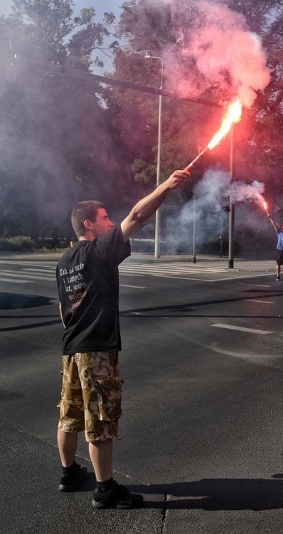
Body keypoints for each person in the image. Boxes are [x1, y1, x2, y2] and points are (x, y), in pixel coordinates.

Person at [55, 169, 191, 509]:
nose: (110, 222)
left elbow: (62, 309)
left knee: (69, 414)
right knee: (100, 420)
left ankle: (69, 474)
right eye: (104, 218)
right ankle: (105, 490)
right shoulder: (100, 250)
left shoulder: (64, 261)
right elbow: (137, 215)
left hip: (71, 350)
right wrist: (167, 186)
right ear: (89, 224)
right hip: (96, 351)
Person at [267, 216, 283, 281]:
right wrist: (270, 218)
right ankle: (278, 276)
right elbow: (274, 225)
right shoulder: (279, 232)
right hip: (280, 250)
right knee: (278, 264)